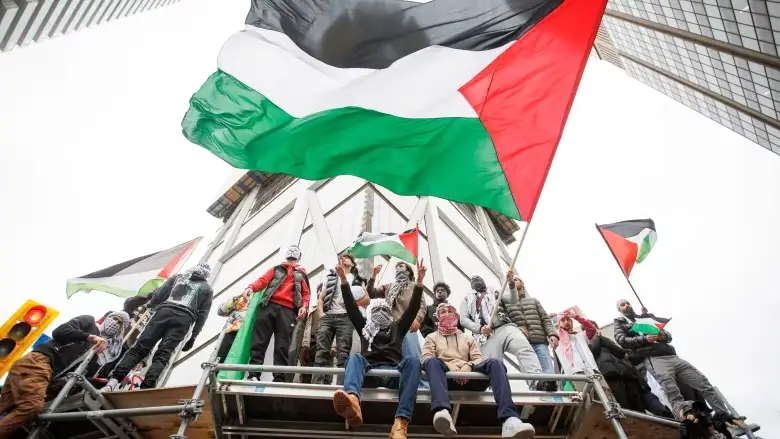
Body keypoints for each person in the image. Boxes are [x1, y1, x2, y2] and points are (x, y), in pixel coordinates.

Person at [332, 258, 426, 439]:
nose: (380, 313)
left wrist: (420, 282)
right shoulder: (364, 327)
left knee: (413, 361)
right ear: (371, 315)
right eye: (376, 311)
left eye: (384, 310)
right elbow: (351, 307)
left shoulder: (397, 327)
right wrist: (343, 279)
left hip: (394, 374)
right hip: (370, 374)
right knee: (355, 357)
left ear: (390, 315)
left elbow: (413, 308)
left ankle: (400, 424)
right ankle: (353, 401)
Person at [0, 312, 130, 438]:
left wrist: (100, 381)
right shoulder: (89, 322)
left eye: (120, 323)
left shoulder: (102, 352)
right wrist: (90, 337)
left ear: (122, 329)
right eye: (114, 318)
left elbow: (77, 374)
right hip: (41, 361)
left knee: (7, 405)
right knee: (31, 407)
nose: (115, 323)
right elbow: (60, 331)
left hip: (47, 373)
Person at [421, 302, 536, 439]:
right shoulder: (432, 337)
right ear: (438, 317)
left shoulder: (467, 338)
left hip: (470, 378)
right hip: (446, 380)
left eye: (450, 311)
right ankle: (442, 411)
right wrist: (452, 369)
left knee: (495, 363)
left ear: (456, 315)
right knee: (431, 362)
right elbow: (426, 357)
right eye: (443, 312)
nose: (447, 314)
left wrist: (468, 366)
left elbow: (478, 358)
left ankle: (510, 420)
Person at [102, 263, 213, 391]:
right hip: (184, 320)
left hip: (163, 312)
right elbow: (203, 315)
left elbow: (159, 295)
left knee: (140, 348)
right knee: (164, 354)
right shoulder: (207, 289)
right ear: (207, 275)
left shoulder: (178, 277)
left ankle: (113, 381)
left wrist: (150, 304)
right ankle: (147, 388)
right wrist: (193, 336)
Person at [614, 299, 732, 420]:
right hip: (654, 359)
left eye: (628, 303)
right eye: (623, 305)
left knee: (704, 384)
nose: (627, 305)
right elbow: (621, 340)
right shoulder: (619, 322)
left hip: (671, 355)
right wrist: (645, 339)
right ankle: (687, 420)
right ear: (619, 309)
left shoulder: (644, 318)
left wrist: (663, 336)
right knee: (673, 393)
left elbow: (668, 336)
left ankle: (725, 416)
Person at [459, 271, 544, 390]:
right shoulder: (466, 300)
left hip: (505, 326)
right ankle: (497, 394)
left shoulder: (495, 292)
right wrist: (479, 328)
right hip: (486, 336)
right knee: (494, 367)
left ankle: (537, 382)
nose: (477, 280)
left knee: (523, 347)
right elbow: (463, 319)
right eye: (474, 280)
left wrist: (511, 284)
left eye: (479, 278)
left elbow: (513, 300)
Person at [243, 245, 311, 382]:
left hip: (288, 311)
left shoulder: (301, 274)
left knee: (282, 345)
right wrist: (251, 288)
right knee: (259, 342)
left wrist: (304, 306)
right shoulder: (276, 269)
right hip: (268, 306)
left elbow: (306, 293)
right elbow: (263, 280)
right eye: (290, 250)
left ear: (299, 257)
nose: (292, 252)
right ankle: (253, 375)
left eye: (295, 251)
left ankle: (279, 378)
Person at [367, 261, 427, 388]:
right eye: (397, 267)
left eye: (401, 266)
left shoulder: (414, 286)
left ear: (408, 271)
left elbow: (422, 306)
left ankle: (420, 385)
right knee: (394, 356)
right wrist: (373, 275)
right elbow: (371, 293)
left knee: (412, 355)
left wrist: (417, 319)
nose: (398, 268)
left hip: (408, 325)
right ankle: (396, 383)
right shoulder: (389, 287)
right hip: (391, 328)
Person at [313, 254, 369, 384]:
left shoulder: (358, 280)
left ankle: (340, 386)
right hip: (328, 316)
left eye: (347, 258)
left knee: (343, 352)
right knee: (321, 351)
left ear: (352, 264)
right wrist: (321, 313)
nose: (344, 259)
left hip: (346, 317)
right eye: (342, 257)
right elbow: (321, 297)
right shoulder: (330, 278)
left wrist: (351, 305)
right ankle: (317, 384)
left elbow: (367, 300)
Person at [588, 332, 672, 417]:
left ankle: (668, 417)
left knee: (639, 404)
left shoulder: (604, 345)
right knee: (637, 404)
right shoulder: (596, 344)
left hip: (625, 376)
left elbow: (623, 353)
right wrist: (597, 336)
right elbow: (593, 350)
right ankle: (667, 416)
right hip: (620, 376)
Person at [501, 275, 559, 391]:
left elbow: (545, 319)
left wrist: (552, 334)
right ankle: (536, 394)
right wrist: (517, 328)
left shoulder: (533, 301)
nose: (512, 281)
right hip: (523, 343)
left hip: (540, 341)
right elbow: (504, 321)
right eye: (510, 281)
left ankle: (553, 396)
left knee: (549, 375)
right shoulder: (506, 303)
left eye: (515, 279)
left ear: (522, 283)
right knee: (531, 374)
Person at [554, 309, 598, 391]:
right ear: (559, 324)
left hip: (593, 371)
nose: (566, 322)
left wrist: (576, 317)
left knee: (605, 396)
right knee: (585, 398)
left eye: (568, 319)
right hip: (575, 374)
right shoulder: (557, 340)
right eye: (563, 320)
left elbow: (592, 329)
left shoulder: (581, 335)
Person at [215, 288, 252, 363]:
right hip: (232, 330)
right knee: (221, 357)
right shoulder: (242, 298)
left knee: (236, 359)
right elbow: (221, 311)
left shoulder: (260, 300)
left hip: (246, 333)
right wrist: (239, 296)